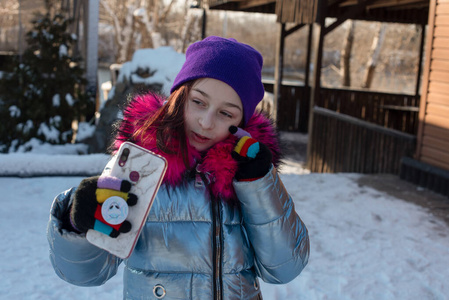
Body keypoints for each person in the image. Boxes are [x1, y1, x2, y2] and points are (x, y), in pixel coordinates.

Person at [47, 36, 309, 300]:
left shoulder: (250, 174)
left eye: (226, 113)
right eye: (198, 102)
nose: (206, 122)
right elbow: (87, 273)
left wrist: (259, 184)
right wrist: (77, 221)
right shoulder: (140, 165)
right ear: (179, 96)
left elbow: (285, 268)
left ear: (242, 121)